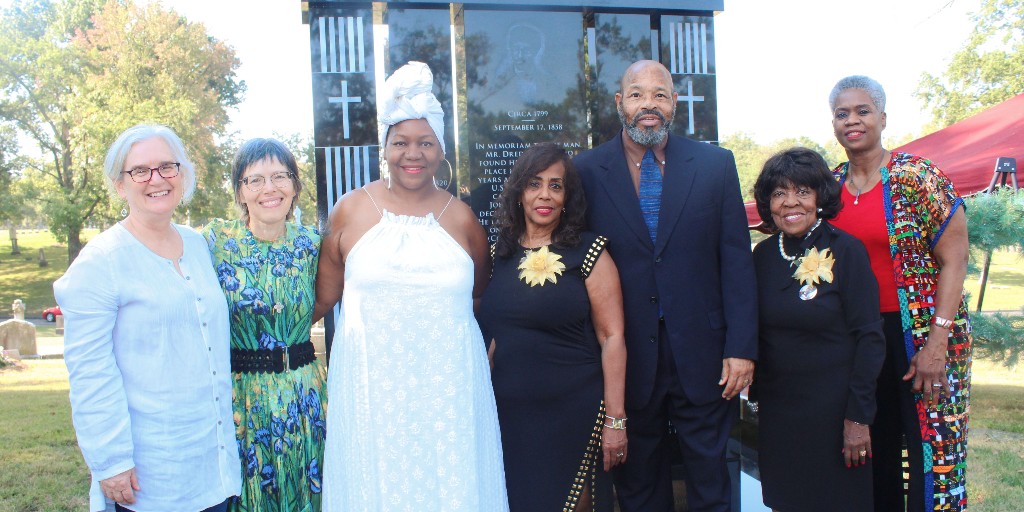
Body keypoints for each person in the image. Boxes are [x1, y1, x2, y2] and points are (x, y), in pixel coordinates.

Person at [314, 61, 509, 510]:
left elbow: (480, 299)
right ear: (385, 147)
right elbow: (322, 300)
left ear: (441, 150)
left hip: (448, 391)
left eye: (425, 143)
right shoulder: (350, 211)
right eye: (400, 142)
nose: (412, 154)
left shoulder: (463, 220)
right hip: (372, 390)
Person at [574, 59, 757, 512]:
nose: (648, 105)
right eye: (637, 94)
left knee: (712, 480)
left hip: (705, 354)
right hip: (628, 356)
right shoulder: (586, 171)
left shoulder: (715, 165)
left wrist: (742, 347)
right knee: (638, 485)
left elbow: (735, 259)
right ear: (620, 103)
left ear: (674, 102)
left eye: (659, 94)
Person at [54, 124, 240, 512]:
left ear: (182, 175)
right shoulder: (101, 261)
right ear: (120, 184)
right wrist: (111, 462)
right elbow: (89, 371)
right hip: (148, 474)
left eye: (167, 167)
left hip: (211, 462)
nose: (156, 179)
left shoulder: (197, 245)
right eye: (140, 170)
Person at [827, 75, 973, 512]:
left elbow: (956, 260)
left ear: (883, 118)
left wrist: (937, 342)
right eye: (841, 113)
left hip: (924, 336)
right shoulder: (828, 186)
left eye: (862, 111)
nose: (852, 121)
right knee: (875, 445)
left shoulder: (918, 177)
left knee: (931, 445)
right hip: (861, 340)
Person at [479, 142, 627, 511]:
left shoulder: (590, 252)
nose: (544, 195)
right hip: (510, 417)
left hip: (573, 414)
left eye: (556, 185)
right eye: (534, 184)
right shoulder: (501, 255)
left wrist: (616, 420)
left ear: (567, 197)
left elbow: (613, 338)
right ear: (519, 194)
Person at [750, 147, 886, 511]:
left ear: (819, 197)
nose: (790, 203)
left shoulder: (847, 251)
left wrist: (858, 418)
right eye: (778, 193)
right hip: (779, 415)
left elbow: (870, 338)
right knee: (786, 500)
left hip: (835, 415)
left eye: (802, 192)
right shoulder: (761, 257)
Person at [202, 138, 327, 512]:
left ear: (295, 185)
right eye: (254, 180)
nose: (269, 189)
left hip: (305, 395)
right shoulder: (215, 243)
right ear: (239, 192)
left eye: (279, 176)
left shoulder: (313, 244)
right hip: (241, 399)